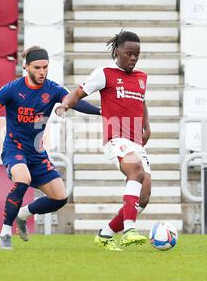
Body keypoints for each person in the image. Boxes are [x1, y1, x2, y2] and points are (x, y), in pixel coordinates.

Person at [0, 46, 100, 250]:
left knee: (60, 198)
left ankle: (23, 214)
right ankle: (4, 233)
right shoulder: (11, 89)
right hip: (14, 148)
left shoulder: (53, 89)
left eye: (46, 67)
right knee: (23, 179)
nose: (42, 72)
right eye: (37, 67)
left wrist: (101, 111)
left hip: (37, 153)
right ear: (26, 67)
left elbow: (73, 102)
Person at [56, 30, 152, 251]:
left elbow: (142, 102)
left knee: (144, 197)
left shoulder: (141, 77)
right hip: (115, 138)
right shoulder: (104, 73)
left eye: (137, 55)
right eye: (129, 54)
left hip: (136, 140)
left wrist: (147, 126)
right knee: (135, 169)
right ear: (117, 51)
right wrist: (65, 105)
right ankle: (129, 230)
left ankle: (106, 234)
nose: (133, 58)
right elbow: (78, 93)